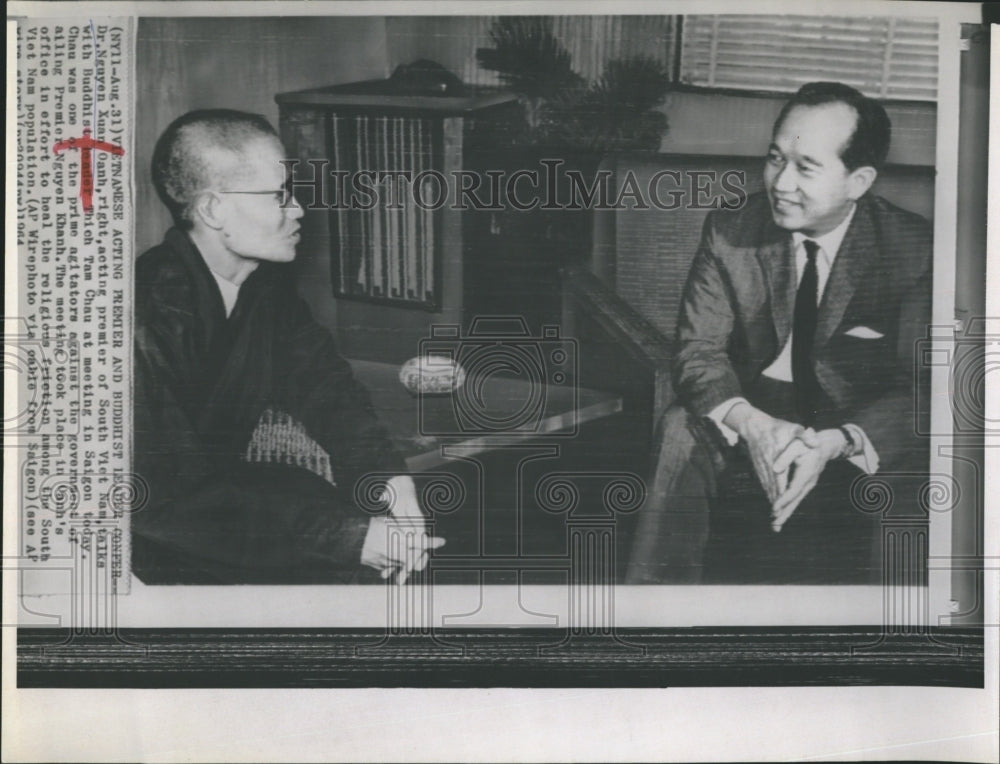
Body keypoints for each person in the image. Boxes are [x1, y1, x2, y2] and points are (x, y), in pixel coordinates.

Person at [626, 82, 932, 585]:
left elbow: (919, 388)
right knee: (681, 427)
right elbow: (699, 350)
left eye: (806, 167)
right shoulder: (733, 228)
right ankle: (652, 611)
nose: (780, 182)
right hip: (755, 400)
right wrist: (750, 422)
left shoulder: (913, 247)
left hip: (853, 415)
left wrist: (841, 440)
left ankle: (896, 634)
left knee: (923, 449)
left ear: (858, 181)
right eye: (774, 159)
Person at [132, 109, 444, 584]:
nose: (297, 208)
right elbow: (164, 493)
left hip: (219, 509)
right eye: (278, 196)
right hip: (154, 536)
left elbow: (327, 388)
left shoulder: (264, 288)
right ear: (214, 209)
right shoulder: (147, 312)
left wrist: (387, 479)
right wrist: (349, 538)